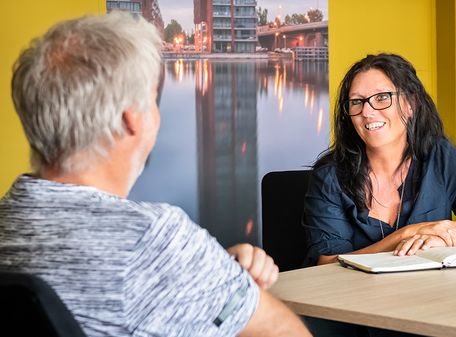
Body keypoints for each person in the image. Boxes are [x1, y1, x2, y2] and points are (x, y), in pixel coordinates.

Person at [0, 12, 310, 337]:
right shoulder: (151, 241)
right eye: (153, 98)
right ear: (130, 119)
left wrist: (215, 274)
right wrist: (192, 263)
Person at [304, 53, 456, 266]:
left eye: (382, 97)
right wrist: (408, 234)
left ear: (410, 104)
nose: (367, 112)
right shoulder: (330, 176)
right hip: (353, 298)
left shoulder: (439, 157)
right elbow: (328, 264)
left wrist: (439, 240)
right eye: (357, 101)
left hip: (428, 294)